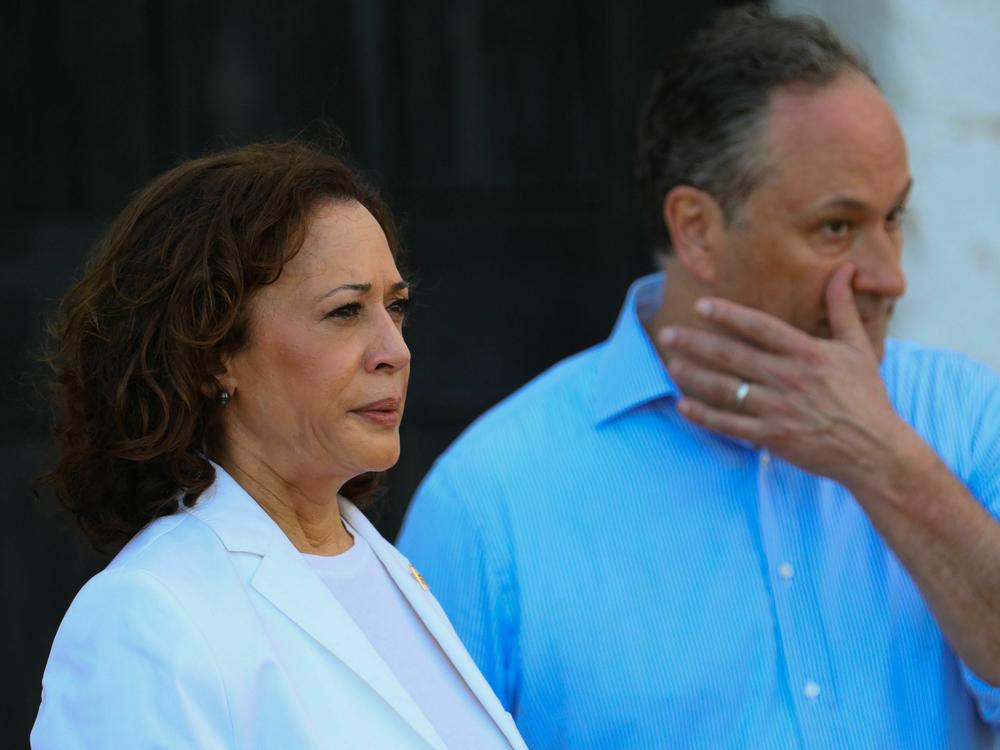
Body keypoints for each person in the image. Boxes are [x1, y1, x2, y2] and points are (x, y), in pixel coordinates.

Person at [398, 7, 1000, 748]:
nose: (890, 277)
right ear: (697, 230)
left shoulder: (967, 416)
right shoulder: (487, 505)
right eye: (836, 228)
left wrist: (882, 462)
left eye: (894, 218)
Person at [31, 140, 527, 750]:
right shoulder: (147, 615)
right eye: (346, 311)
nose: (395, 351)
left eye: (395, 307)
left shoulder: (388, 570)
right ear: (213, 353)